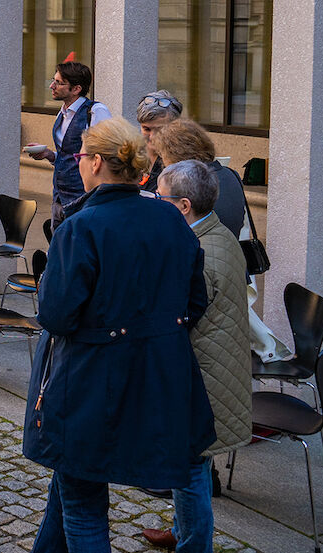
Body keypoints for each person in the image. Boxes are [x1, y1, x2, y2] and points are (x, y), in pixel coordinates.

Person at [24, 117, 214, 553]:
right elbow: (194, 302)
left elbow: (56, 315)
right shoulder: (170, 218)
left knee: (83, 502)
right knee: (71, 482)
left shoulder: (81, 226)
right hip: (158, 375)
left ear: (94, 163)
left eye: (80, 156)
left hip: (89, 379)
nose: (78, 163)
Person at [141, 160, 252, 553]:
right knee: (191, 462)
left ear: (183, 205)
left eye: (161, 196)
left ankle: (193, 543)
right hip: (212, 370)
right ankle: (181, 530)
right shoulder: (215, 234)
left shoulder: (199, 250)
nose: (155, 201)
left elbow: (177, 316)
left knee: (189, 465)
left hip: (205, 377)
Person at [24, 60, 112, 225]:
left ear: (76, 89)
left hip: (83, 198)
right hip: (59, 196)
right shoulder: (63, 113)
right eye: (54, 80)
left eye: (59, 83)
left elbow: (106, 156)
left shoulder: (95, 112)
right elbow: (68, 154)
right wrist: (50, 155)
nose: (52, 86)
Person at [152, 118, 248, 238]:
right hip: (230, 246)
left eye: (162, 155)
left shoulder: (189, 184)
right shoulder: (231, 174)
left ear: (173, 154)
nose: (162, 162)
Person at [136, 89, 184, 193]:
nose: (152, 136)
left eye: (160, 129)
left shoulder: (179, 164)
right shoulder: (132, 155)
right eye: (146, 129)